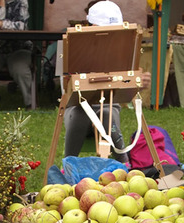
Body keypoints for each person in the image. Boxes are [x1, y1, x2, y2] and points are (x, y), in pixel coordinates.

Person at [63, 0, 151, 165]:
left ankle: (124, 163)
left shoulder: (123, 47)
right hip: (77, 108)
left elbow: (128, 79)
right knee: (79, 115)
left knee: (106, 113)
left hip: (108, 108)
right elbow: (65, 89)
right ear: (91, 25)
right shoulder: (72, 45)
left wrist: (137, 82)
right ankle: (68, 164)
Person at [0, 0, 33, 110]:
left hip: (19, 47)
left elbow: (21, 26)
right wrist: (1, 6)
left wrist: (0, 24)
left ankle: (30, 103)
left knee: (19, 69)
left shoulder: (21, 2)